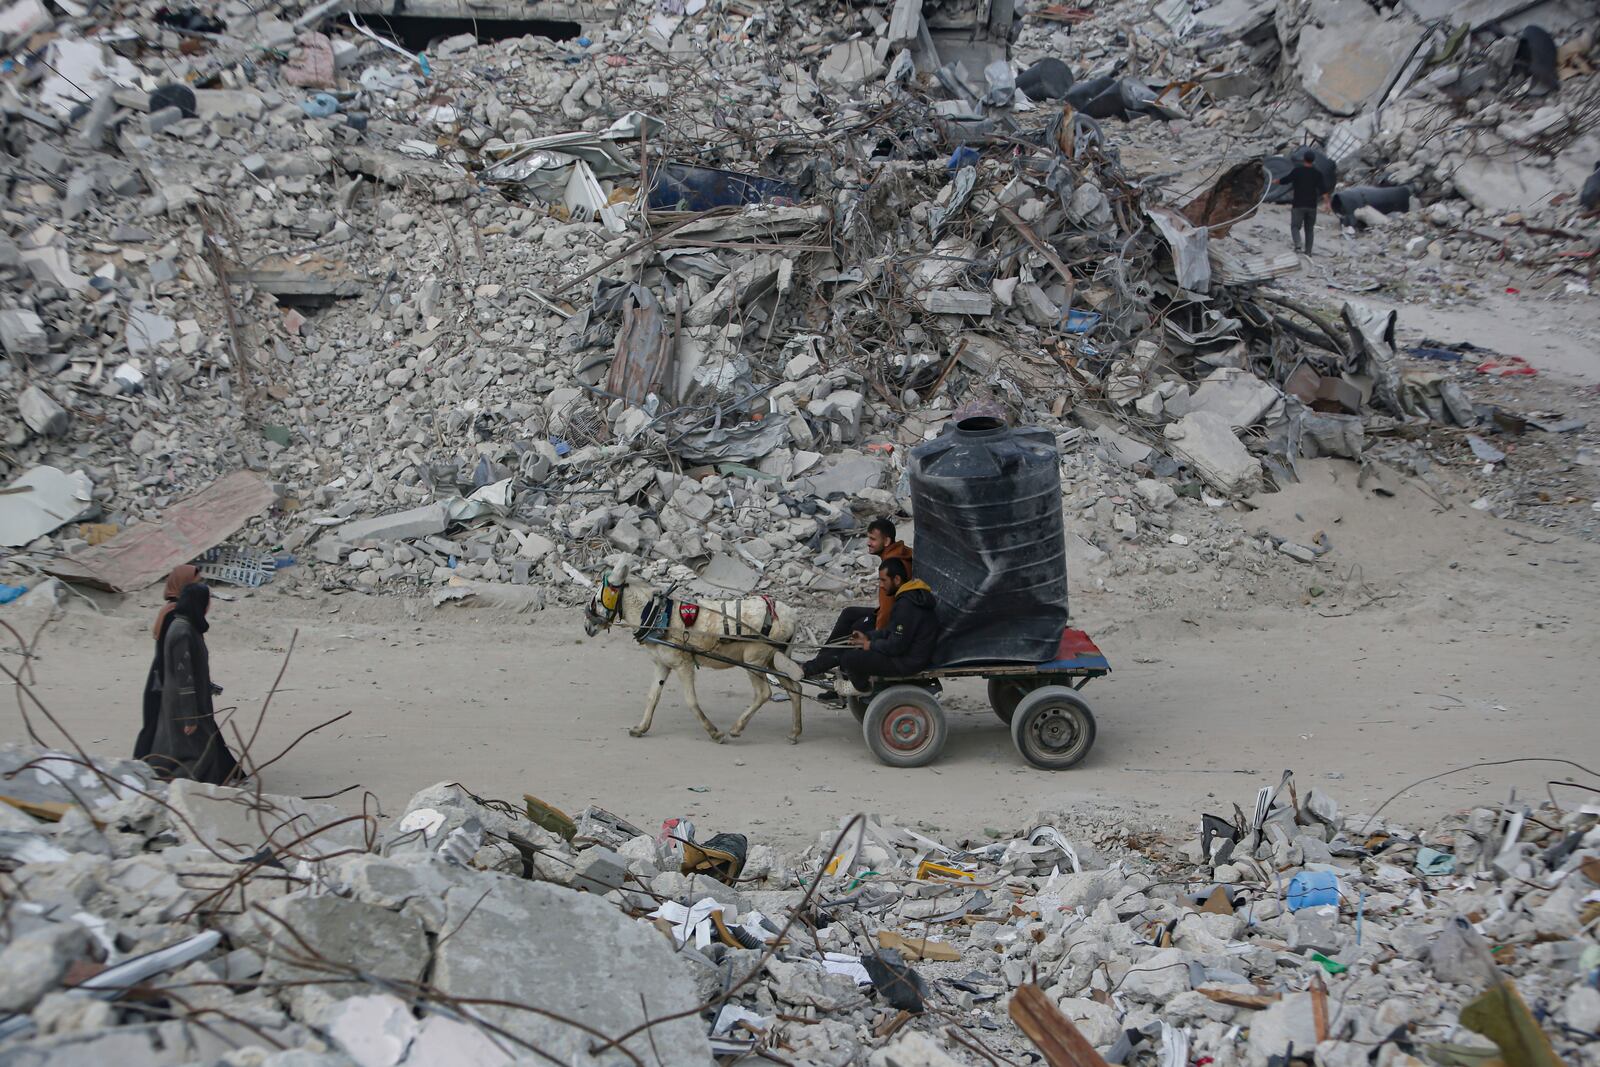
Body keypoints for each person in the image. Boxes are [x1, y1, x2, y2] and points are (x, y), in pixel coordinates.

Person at [142, 582, 240, 785]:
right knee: (194, 750)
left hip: (193, 700)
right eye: (208, 601)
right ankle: (187, 788)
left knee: (194, 747)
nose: (209, 606)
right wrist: (190, 717)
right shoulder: (181, 632)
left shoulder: (188, 627)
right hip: (184, 704)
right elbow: (183, 676)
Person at [801, 518, 913, 688]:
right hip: (893, 613)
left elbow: (887, 608)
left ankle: (831, 674)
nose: (869, 543)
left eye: (873, 539)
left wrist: (877, 637)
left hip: (895, 620)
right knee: (850, 612)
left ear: (887, 541)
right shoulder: (898, 553)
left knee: (856, 630)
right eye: (869, 538)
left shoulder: (892, 564)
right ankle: (821, 661)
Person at [835, 558, 939, 692]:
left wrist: (870, 645)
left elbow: (896, 646)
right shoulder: (909, 598)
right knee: (855, 650)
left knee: (849, 659)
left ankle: (863, 689)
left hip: (909, 662)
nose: (881, 585)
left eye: (884, 580)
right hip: (911, 656)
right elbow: (890, 631)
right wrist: (867, 637)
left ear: (896, 579)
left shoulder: (906, 605)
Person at [135, 564, 201, 761]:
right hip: (165, 679)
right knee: (156, 726)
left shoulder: (175, 610)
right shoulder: (174, 614)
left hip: (166, 677)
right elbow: (169, 654)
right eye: (195, 584)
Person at [1277, 149, 1329, 256]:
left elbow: (1285, 180)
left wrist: (1275, 181)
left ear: (1303, 159)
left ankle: (1298, 245)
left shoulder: (1297, 171)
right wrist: (1327, 204)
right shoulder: (1317, 174)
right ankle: (1308, 252)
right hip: (1311, 206)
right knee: (1309, 229)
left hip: (1298, 205)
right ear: (1313, 160)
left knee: (1295, 227)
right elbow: (1324, 190)